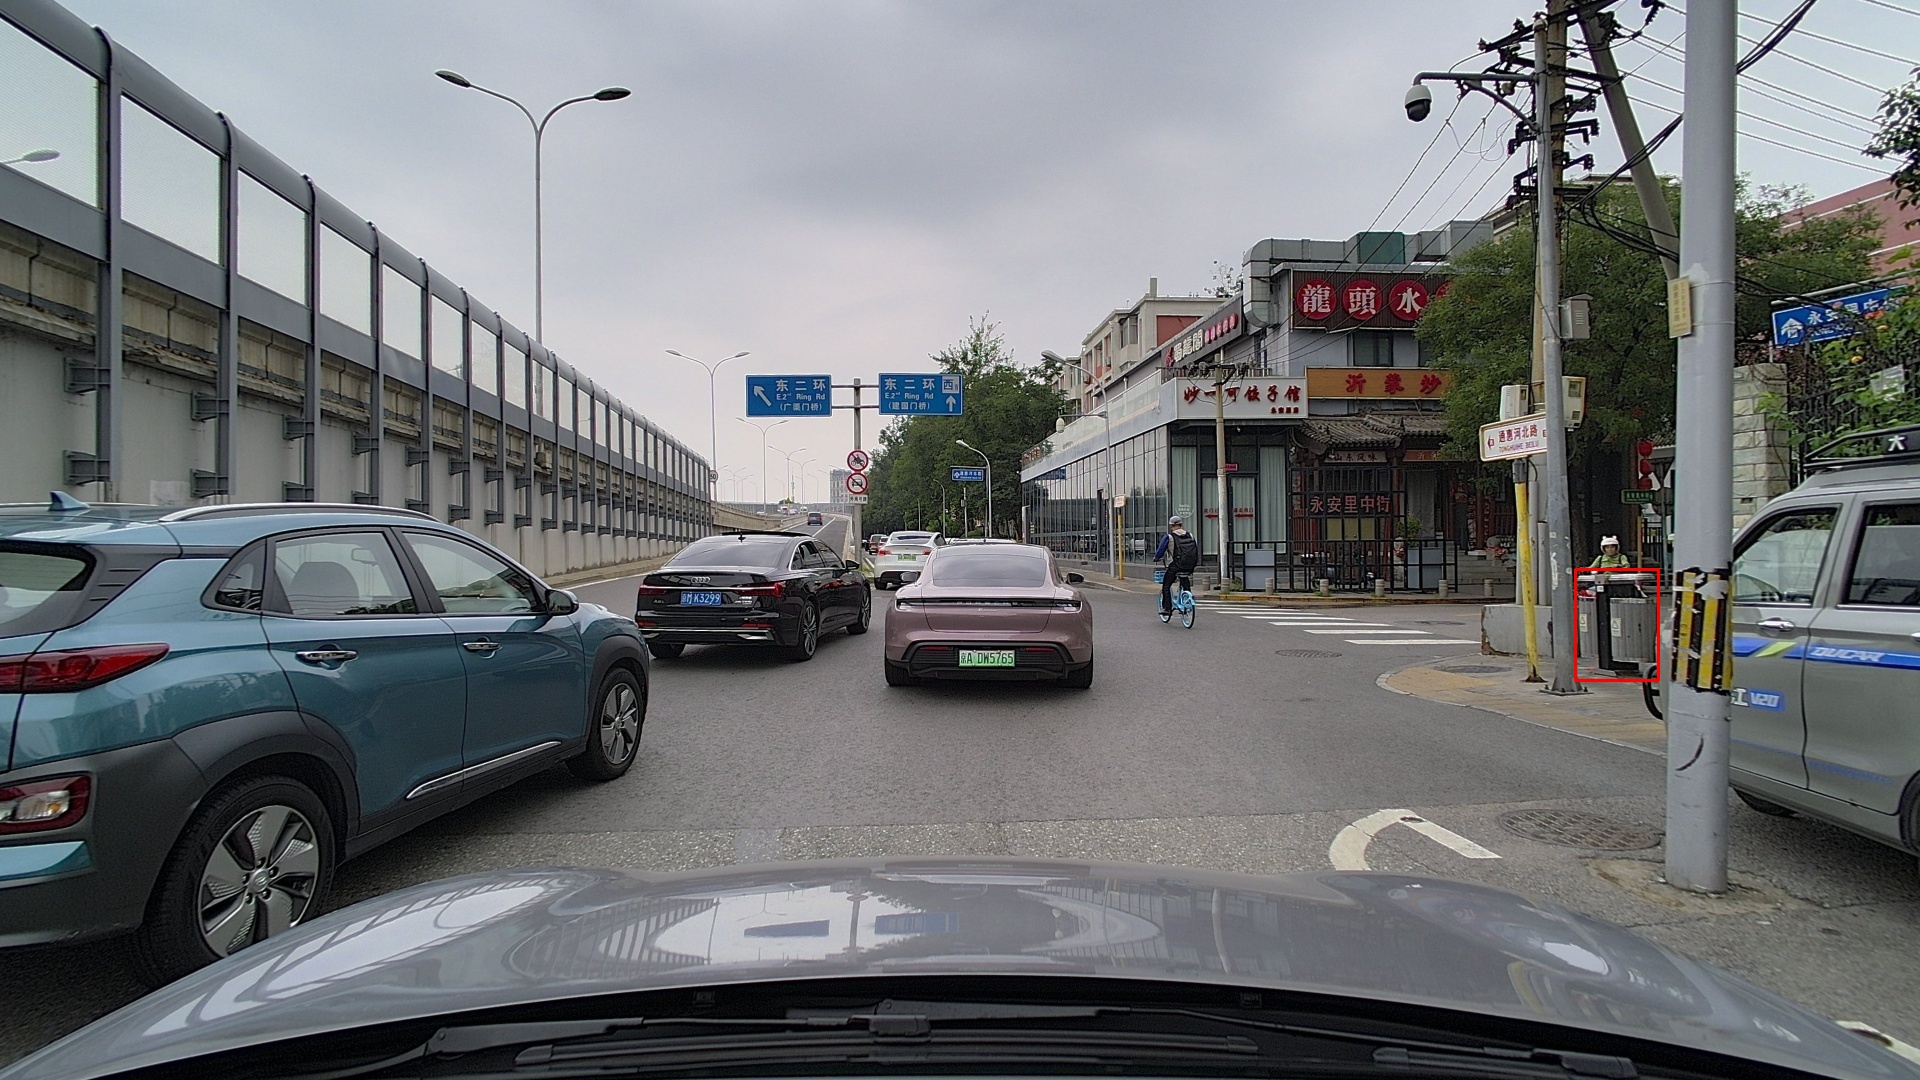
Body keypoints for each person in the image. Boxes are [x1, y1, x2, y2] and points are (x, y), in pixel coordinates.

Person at [1153, 515, 1201, 616]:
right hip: (1190, 565)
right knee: (1185, 581)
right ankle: (1187, 600)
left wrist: (1156, 558)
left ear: (1171, 526)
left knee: (1166, 585)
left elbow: (1160, 551)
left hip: (1175, 566)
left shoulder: (1169, 537)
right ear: (1181, 524)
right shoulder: (1190, 535)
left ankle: (1167, 608)